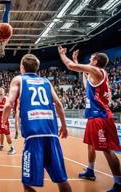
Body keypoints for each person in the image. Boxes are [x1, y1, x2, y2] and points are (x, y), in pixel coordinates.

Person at [2, 54, 72, 192]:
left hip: (33, 137)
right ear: (37, 68)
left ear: (22, 66)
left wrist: (4, 121)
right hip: (52, 135)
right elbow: (58, 104)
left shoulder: (19, 79)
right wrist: (64, 126)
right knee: (62, 180)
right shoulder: (46, 81)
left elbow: (9, 104)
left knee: (27, 184)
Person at [58, 46, 121, 192]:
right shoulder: (96, 74)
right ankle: (90, 171)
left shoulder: (97, 71)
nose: (89, 59)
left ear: (96, 61)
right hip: (95, 116)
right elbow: (86, 83)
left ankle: (119, 183)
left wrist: (63, 55)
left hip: (100, 116)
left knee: (107, 150)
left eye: (91, 58)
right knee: (91, 145)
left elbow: (70, 66)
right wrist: (76, 60)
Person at [0, 87, 15, 154]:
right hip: (0, 120)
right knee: (1, 133)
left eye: (2, 90)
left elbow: (10, 108)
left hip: (4, 120)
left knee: (7, 133)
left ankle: (12, 148)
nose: (0, 91)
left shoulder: (7, 99)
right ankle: (1, 145)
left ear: (4, 92)